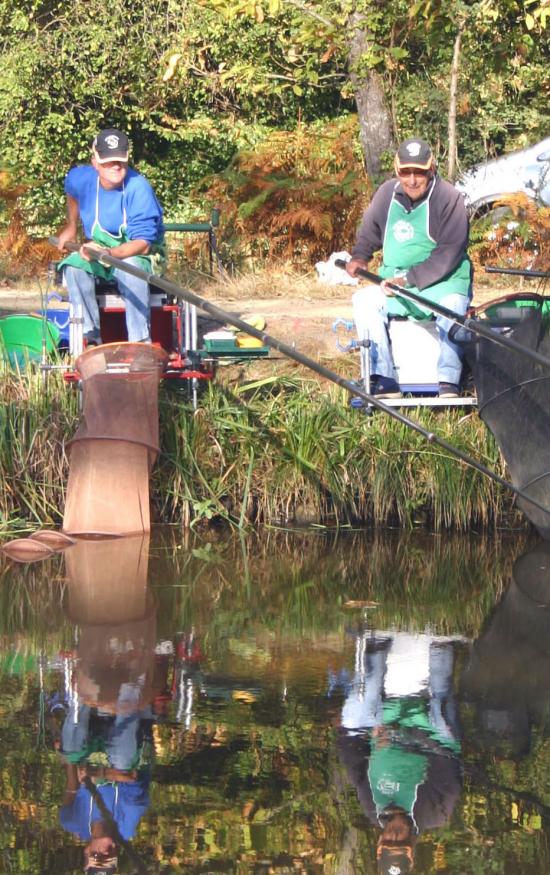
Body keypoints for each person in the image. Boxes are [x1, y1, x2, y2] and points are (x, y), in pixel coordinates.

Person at [346, 138, 472, 399]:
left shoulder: (450, 199)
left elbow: (449, 252)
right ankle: (383, 379)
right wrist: (360, 257)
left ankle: (449, 381)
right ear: (397, 170)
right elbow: (369, 233)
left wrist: (408, 280)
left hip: (442, 283)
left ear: (431, 169)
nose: (412, 180)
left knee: (453, 306)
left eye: (419, 173)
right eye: (406, 172)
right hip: (394, 285)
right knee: (364, 301)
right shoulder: (385, 195)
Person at [333, 629, 463, 874]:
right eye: (400, 842)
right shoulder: (435, 812)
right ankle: (441, 645)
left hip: (382, 722)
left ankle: (373, 645)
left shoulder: (372, 807)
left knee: (352, 717)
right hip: (426, 728)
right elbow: (446, 755)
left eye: (389, 842)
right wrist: (403, 736)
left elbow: (352, 760)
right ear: (411, 846)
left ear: (380, 844)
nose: (394, 835)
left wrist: (356, 734)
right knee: (444, 717)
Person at [57, 128, 166, 346]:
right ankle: (90, 336)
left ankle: (140, 341)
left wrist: (107, 254)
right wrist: (71, 226)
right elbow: (72, 191)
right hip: (100, 251)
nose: (115, 166)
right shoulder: (82, 178)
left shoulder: (138, 188)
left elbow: (143, 245)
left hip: (139, 255)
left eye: (120, 160)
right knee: (73, 266)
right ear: (95, 162)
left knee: (130, 268)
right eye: (107, 162)